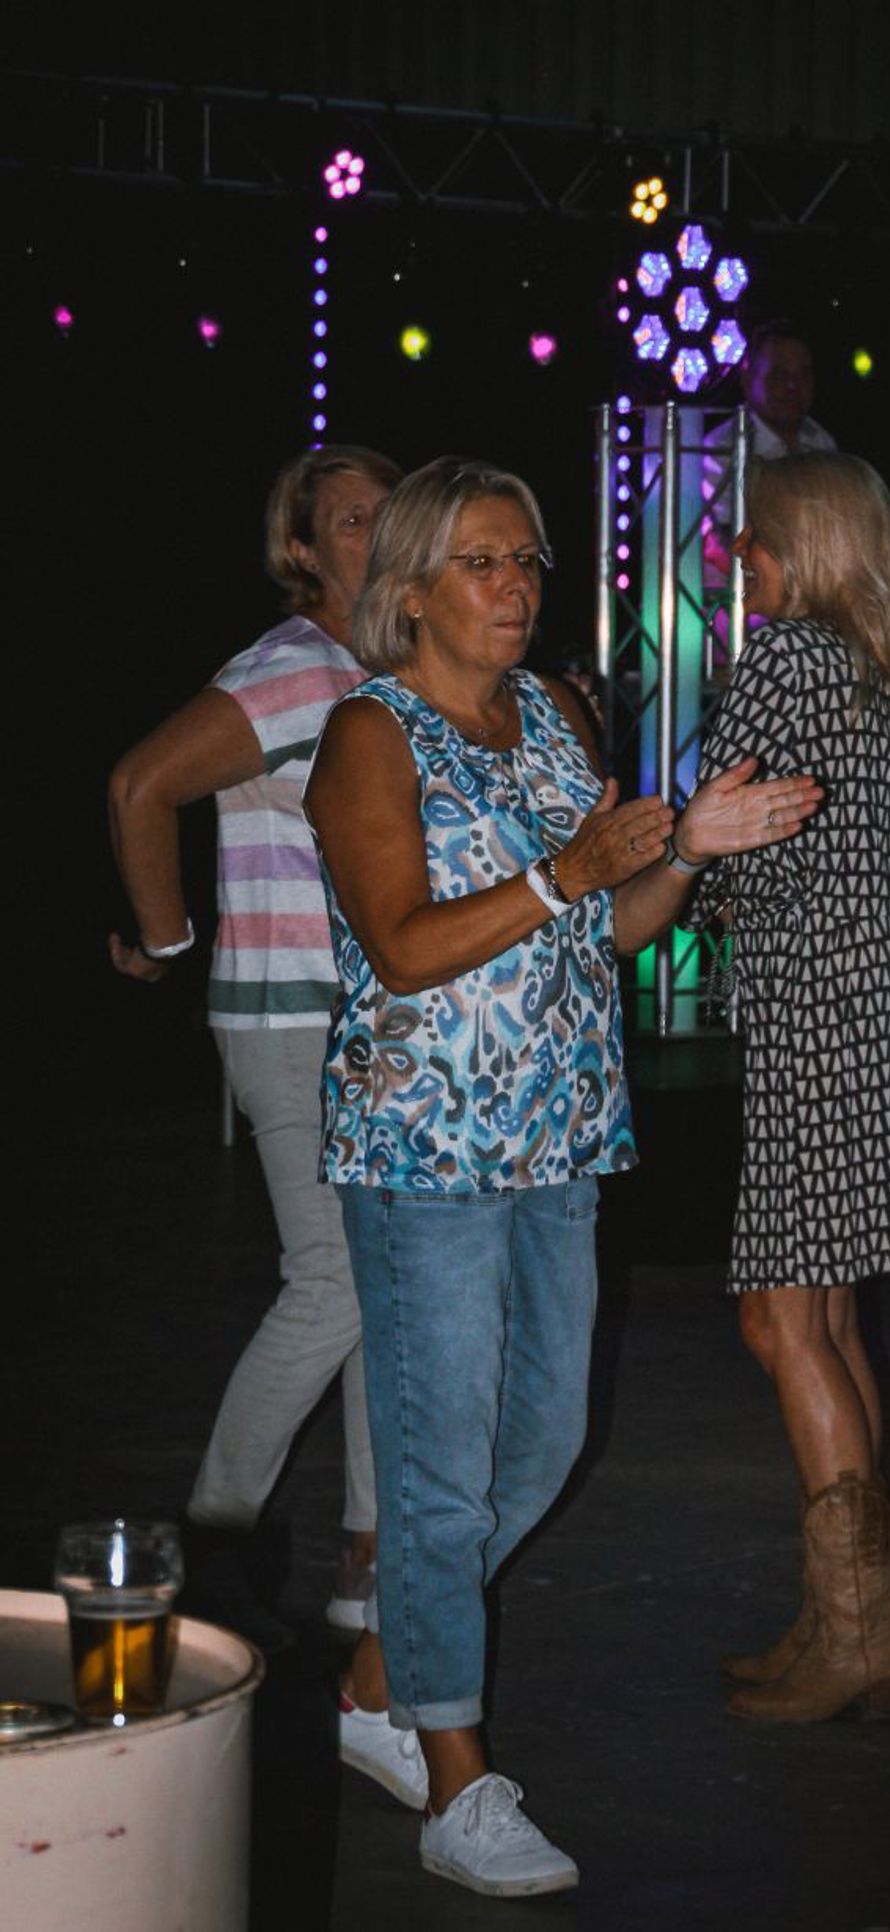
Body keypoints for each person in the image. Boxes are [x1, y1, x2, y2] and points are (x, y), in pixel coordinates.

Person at [304, 455, 821, 1898]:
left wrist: (687, 852)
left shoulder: (553, 715)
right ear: (411, 589)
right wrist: (567, 875)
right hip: (428, 1152)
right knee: (439, 1476)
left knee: (538, 1447)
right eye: (480, 561)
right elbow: (403, 946)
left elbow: (610, 930)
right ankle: (456, 1785)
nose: (516, 585)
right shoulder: (368, 734)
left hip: (564, 1133)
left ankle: (377, 1681)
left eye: (526, 559)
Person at [686, 450, 890, 1725]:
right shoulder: (878, 673)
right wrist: (868, 882)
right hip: (884, 1008)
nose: (737, 556)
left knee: (788, 1326)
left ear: (802, 546)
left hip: (815, 1021)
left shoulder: (782, 663)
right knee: (809, 1322)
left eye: (753, 536)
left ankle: (860, 1637)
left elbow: (732, 850)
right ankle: (845, 1619)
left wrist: (714, 882)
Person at [108, 443, 401, 1638]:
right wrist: (167, 940)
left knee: (379, 1282)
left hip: (364, 1021)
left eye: (389, 514)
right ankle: (213, 1534)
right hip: (289, 1019)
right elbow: (140, 785)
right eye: (349, 520)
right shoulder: (292, 669)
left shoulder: (382, 670)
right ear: (301, 549)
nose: (376, 534)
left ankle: (367, 1562)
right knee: (335, 1281)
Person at [703, 319, 838, 585]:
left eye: (803, 375)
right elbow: (718, 544)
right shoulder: (721, 449)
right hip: (739, 601)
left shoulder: (823, 444)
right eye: (779, 375)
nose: (792, 386)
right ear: (747, 379)